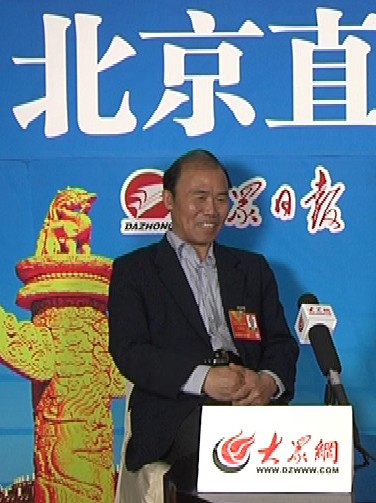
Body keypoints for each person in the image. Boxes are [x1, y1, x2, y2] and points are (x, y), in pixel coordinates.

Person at [109, 149, 299, 491]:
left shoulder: (252, 269)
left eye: (221, 199)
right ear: (169, 200)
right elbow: (129, 351)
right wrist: (204, 379)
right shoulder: (135, 271)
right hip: (176, 412)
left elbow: (282, 344)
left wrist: (267, 383)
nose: (212, 210)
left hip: (252, 404)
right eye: (200, 197)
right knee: (227, 445)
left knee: (312, 445)